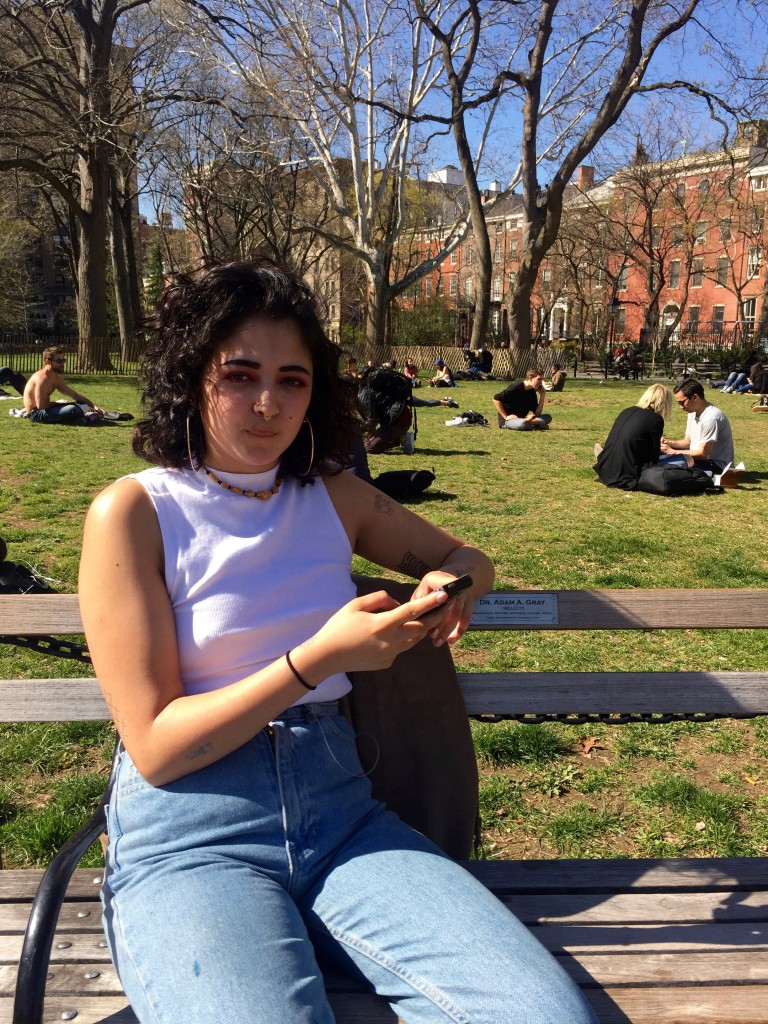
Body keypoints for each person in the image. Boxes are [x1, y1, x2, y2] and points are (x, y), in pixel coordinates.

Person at [78, 260, 596, 1024]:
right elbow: (155, 747)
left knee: (542, 1015)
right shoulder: (134, 513)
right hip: (192, 837)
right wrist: (317, 658)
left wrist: (451, 590)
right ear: (192, 377)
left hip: (342, 817)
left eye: (293, 379)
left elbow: (467, 558)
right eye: (241, 374)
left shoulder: (333, 496)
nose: (268, 403)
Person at [594, 383, 674, 490]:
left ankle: (606, 456)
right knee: (682, 459)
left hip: (605, 470)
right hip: (628, 474)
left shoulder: (627, 411)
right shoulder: (655, 419)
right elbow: (654, 455)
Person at [660, 378, 735, 473]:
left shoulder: (711, 418)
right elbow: (687, 442)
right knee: (660, 459)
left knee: (666, 466)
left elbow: (703, 454)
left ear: (695, 397)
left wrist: (673, 452)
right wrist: (668, 443)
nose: (680, 407)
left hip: (716, 465)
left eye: (682, 402)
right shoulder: (692, 412)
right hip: (698, 459)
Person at [23, 347, 104, 425]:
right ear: (47, 362)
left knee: (81, 405)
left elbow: (74, 395)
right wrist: (65, 404)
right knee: (73, 409)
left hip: (46, 411)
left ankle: (77, 420)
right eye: (58, 361)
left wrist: (93, 406)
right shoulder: (41, 378)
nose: (62, 364)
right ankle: (84, 418)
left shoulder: (55, 378)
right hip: (37, 415)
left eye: (63, 361)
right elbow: (42, 407)